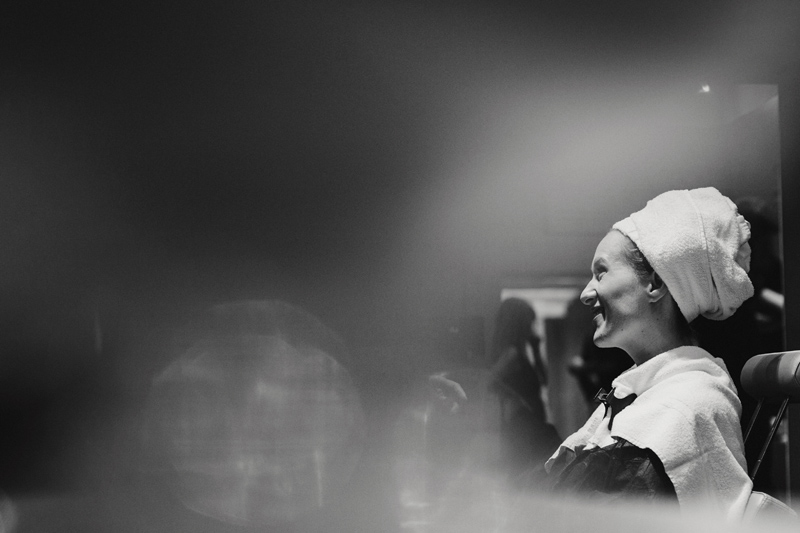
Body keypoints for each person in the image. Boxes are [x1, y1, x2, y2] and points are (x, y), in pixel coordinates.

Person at [545, 187, 754, 520]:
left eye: (601, 272)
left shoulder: (687, 406)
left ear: (655, 283)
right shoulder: (640, 398)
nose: (586, 293)